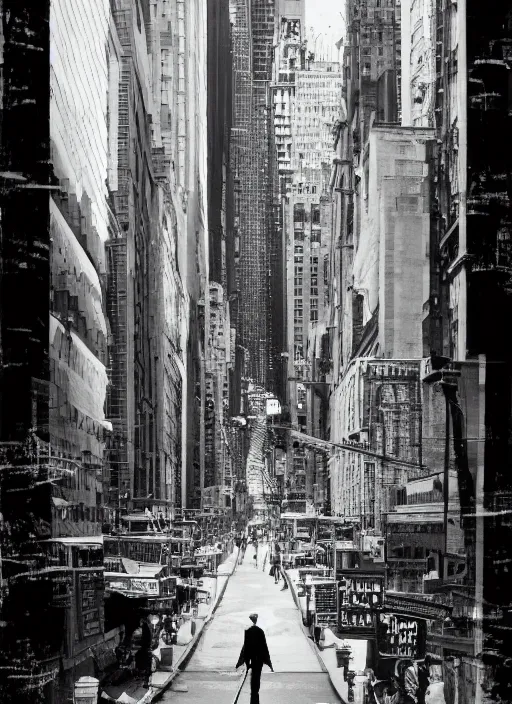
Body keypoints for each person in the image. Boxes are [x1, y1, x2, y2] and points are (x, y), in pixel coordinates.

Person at [236, 613, 274, 704]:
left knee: (254, 676)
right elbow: (264, 647)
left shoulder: (248, 631)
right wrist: (268, 661)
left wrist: (246, 660)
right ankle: (255, 692)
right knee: (256, 676)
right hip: (259, 658)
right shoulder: (260, 631)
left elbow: (246, 647)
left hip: (252, 658)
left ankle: (254, 692)